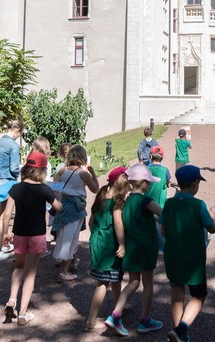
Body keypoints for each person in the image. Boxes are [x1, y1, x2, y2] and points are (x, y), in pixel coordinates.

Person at [2, 151, 62, 326]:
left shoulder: (16, 188)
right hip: (36, 234)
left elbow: (7, 214)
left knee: (18, 266)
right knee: (30, 274)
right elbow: (58, 207)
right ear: (42, 170)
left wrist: (6, 233)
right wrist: (57, 197)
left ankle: (12, 300)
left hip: (19, 233)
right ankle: (22, 314)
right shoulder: (44, 189)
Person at [104, 164, 164, 336]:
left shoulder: (126, 200)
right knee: (148, 284)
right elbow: (163, 214)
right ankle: (144, 319)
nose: (151, 185)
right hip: (145, 247)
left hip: (131, 247)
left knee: (133, 282)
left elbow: (124, 222)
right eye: (149, 182)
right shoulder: (146, 201)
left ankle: (116, 314)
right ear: (143, 183)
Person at [160, 165, 215, 342]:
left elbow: (163, 231)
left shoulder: (169, 203)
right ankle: (181, 330)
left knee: (177, 296)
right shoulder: (198, 204)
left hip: (173, 255)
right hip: (193, 258)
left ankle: (179, 333)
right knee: (199, 295)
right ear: (194, 184)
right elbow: (212, 228)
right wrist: (212, 216)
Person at [84, 166, 129, 331]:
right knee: (102, 283)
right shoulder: (117, 203)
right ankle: (90, 320)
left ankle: (119, 307)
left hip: (97, 241)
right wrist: (122, 243)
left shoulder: (101, 197)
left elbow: (91, 222)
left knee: (115, 278)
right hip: (109, 245)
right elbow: (118, 223)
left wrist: (97, 234)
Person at [52, 144, 99, 281]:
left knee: (63, 235)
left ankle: (64, 266)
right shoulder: (83, 174)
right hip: (76, 208)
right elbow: (95, 189)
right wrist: (93, 173)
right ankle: (64, 271)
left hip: (63, 206)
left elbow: (55, 189)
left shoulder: (61, 171)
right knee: (71, 238)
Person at [0, 120, 23, 262]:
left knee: (1, 216)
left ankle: (4, 245)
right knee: (3, 217)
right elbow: (14, 168)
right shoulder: (13, 145)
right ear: (18, 131)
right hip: (6, 182)